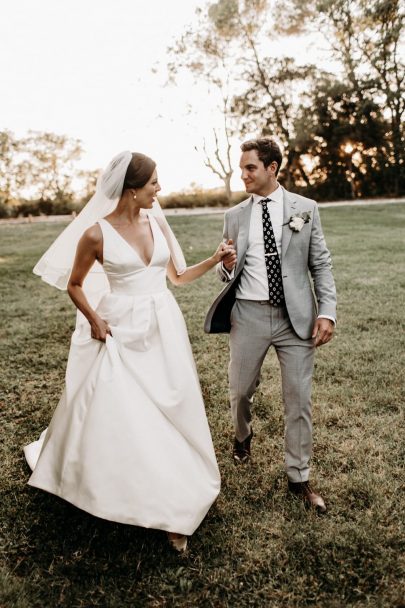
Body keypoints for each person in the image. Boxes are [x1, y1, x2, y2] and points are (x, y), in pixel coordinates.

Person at [24, 151, 235, 552]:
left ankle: (175, 489)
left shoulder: (157, 222)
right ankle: (138, 495)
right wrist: (94, 320)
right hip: (118, 327)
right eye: (154, 183)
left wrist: (214, 259)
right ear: (133, 189)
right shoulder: (95, 234)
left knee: (170, 404)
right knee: (126, 411)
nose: (160, 189)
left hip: (162, 325)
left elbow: (177, 277)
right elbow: (75, 284)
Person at [204, 137, 337, 512]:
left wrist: (326, 312)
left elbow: (321, 264)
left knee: (298, 399)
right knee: (240, 390)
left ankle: (299, 479)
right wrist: (226, 264)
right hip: (247, 315)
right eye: (241, 167)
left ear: (272, 168)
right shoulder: (234, 215)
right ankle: (242, 436)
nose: (242, 174)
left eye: (250, 167)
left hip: (296, 319)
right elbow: (223, 267)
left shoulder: (305, 208)